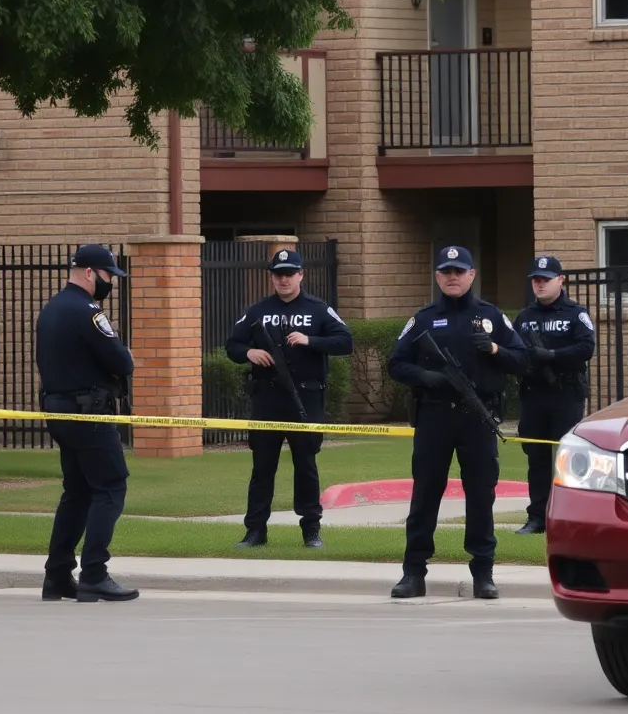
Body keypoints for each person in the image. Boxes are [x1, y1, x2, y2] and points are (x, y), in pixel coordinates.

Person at [386, 245, 528, 599]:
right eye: (446, 272)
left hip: (478, 417)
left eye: (459, 271)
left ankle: (483, 573)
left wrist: (494, 349)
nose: (453, 277)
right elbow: (396, 363)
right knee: (425, 493)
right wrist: (424, 377)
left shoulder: (491, 316)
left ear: (471, 275)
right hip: (434, 415)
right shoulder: (423, 318)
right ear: (437, 276)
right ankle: (413, 573)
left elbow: (522, 360)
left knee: (480, 495)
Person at [225, 248, 354, 549]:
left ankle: (311, 530)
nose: (284, 280)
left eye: (289, 274)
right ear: (272, 277)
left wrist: (310, 340)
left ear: (301, 275)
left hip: (305, 398)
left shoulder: (318, 309)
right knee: (262, 466)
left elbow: (345, 342)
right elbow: (232, 345)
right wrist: (249, 352)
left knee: (306, 465)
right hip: (267, 398)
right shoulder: (258, 310)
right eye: (278, 275)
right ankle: (255, 531)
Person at [35, 243, 139, 602]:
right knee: (111, 486)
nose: (112, 282)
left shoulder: (51, 308)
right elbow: (122, 362)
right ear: (91, 273)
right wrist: (122, 357)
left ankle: (57, 576)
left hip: (59, 410)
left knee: (77, 491)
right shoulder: (88, 311)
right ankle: (94, 573)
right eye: (109, 275)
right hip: (88, 413)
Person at [512, 254, 595, 535]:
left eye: (546, 279)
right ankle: (537, 516)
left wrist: (551, 355)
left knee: (567, 457)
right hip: (533, 395)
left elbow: (586, 348)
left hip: (565, 394)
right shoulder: (524, 317)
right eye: (536, 279)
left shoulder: (575, 313)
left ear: (561, 280)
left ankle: (568, 515)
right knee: (536, 457)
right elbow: (513, 351)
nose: (540, 284)